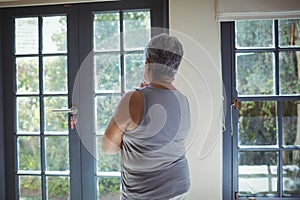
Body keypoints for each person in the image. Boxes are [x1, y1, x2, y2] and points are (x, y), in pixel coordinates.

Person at [102, 33, 191, 200]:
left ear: (147, 63)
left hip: (145, 193)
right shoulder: (183, 100)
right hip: (180, 188)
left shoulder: (133, 99)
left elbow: (108, 148)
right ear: (176, 67)